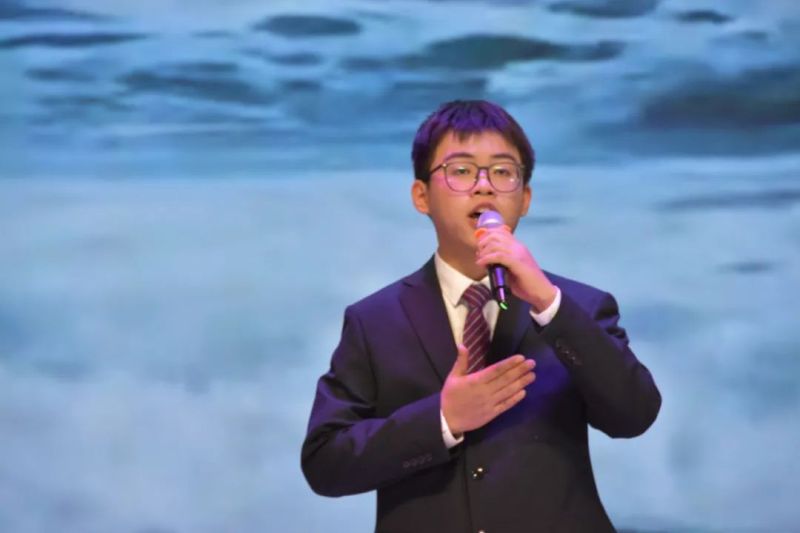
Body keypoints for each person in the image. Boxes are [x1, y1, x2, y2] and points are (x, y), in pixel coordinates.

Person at [301, 100, 661, 533]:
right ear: (421, 196)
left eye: (503, 172)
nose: (485, 187)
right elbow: (325, 463)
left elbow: (634, 415)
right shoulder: (374, 320)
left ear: (525, 199)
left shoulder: (576, 307)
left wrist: (548, 303)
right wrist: (442, 419)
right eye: (462, 170)